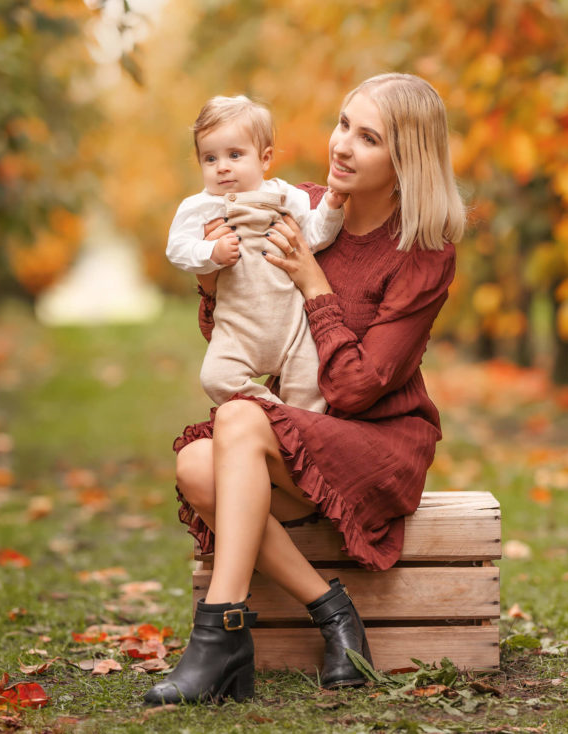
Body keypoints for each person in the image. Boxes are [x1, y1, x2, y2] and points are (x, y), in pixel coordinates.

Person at [144, 73, 466, 706]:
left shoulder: (423, 251)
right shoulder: (297, 203)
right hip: (301, 424)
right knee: (194, 465)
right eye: (344, 123)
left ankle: (219, 636)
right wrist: (213, 274)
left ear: (405, 162)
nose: (342, 145)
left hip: (378, 441)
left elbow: (356, 390)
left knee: (237, 418)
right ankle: (333, 612)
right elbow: (237, 324)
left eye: (368, 138)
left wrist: (313, 282)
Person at [166, 95, 346, 412]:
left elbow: (315, 238)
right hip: (237, 331)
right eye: (210, 159)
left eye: (234, 155)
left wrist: (330, 208)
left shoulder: (285, 196)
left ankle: (296, 429)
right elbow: (177, 249)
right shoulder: (200, 207)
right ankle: (274, 413)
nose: (222, 167)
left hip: (291, 328)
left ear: (264, 159)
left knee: (311, 388)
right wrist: (211, 252)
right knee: (215, 378)